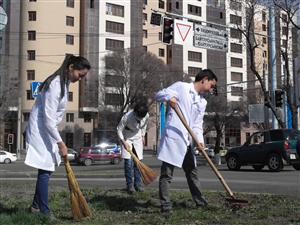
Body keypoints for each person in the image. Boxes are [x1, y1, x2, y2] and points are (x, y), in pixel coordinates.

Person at [24, 54, 91, 215]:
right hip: (41, 130)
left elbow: (52, 118)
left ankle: (35, 206)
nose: (80, 79)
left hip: (47, 129)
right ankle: (44, 212)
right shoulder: (55, 85)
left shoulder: (64, 83)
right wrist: (61, 143)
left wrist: (57, 140)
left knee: (47, 168)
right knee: (45, 170)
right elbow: (48, 119)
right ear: (71, 68)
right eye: (80, 75)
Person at [155, 69, 217, 215]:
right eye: (212, 85)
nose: (211, 89)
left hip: (187, 141)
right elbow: (158, 95)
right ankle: (165, 206)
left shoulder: (202, 102)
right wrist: (169, 97)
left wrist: (200, 141)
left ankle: (200, 201)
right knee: (166, 175)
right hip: (174, 138)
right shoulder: (181, 87)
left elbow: (197, 124)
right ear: (205, 79)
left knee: (192, 172)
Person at [117, 99, 149, 194]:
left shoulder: (146, 115)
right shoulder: (127, 117)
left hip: (137, 136)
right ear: (135, 113)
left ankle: (138, 185)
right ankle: (130, 185)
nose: (140, 119)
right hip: (127, 137)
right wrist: (123, 142)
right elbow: (119, 129)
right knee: (128, 163)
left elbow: (144, 126)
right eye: (138, 116)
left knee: (138, 162)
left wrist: (143, 135)